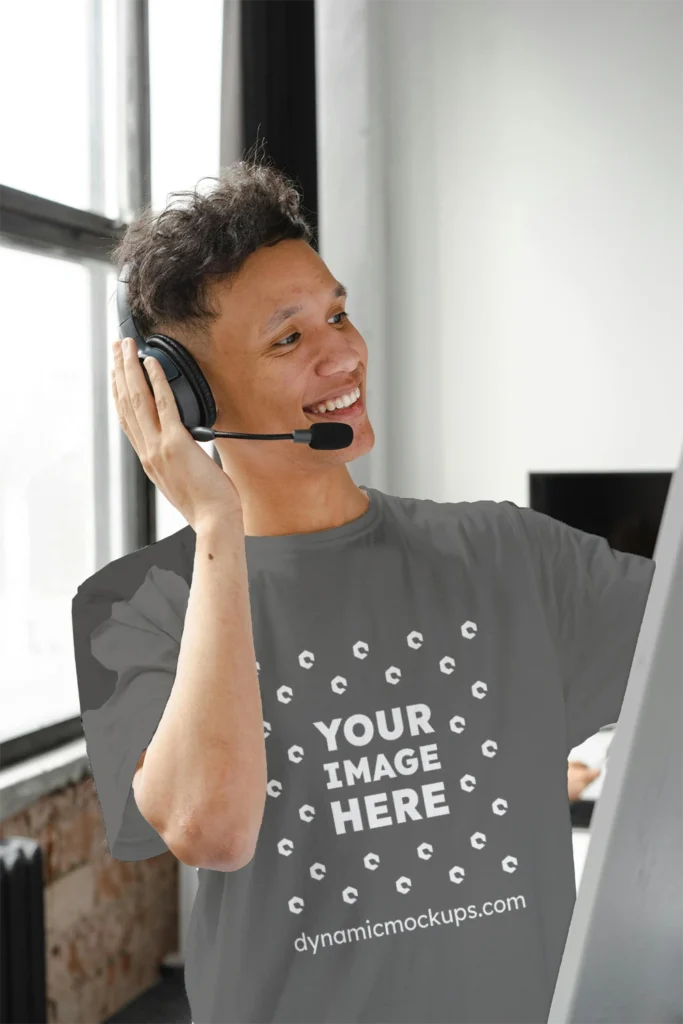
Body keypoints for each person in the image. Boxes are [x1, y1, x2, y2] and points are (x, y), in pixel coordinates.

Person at [71, 152, 655, 1024]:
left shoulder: (505, 553)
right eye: (288, 337)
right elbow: (212, 827)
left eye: (337, 312)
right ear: (189, 399)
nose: (341, 351)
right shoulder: (137, 606)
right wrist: (216, 526)